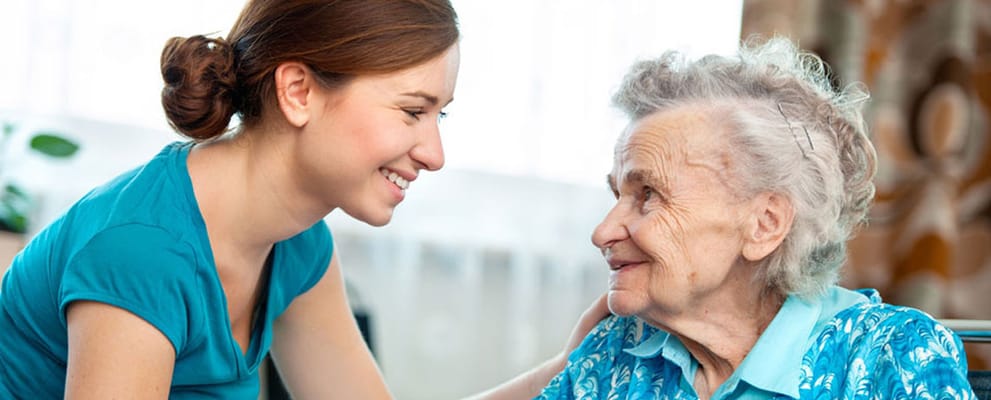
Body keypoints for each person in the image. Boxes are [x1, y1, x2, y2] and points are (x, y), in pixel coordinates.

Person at [0, 0, 607, 398]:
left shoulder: (296, 243)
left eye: (439, 115)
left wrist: (565, 369)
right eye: (412, 111)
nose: (434, 152)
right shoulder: (141, 253)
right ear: (298, 91)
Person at [536, 37, 977, 399]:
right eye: (617, 194)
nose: (603, 232)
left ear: (765, 224)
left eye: (648, 194)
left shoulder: (890, 357)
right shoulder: (618, 351)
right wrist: (563, 365)